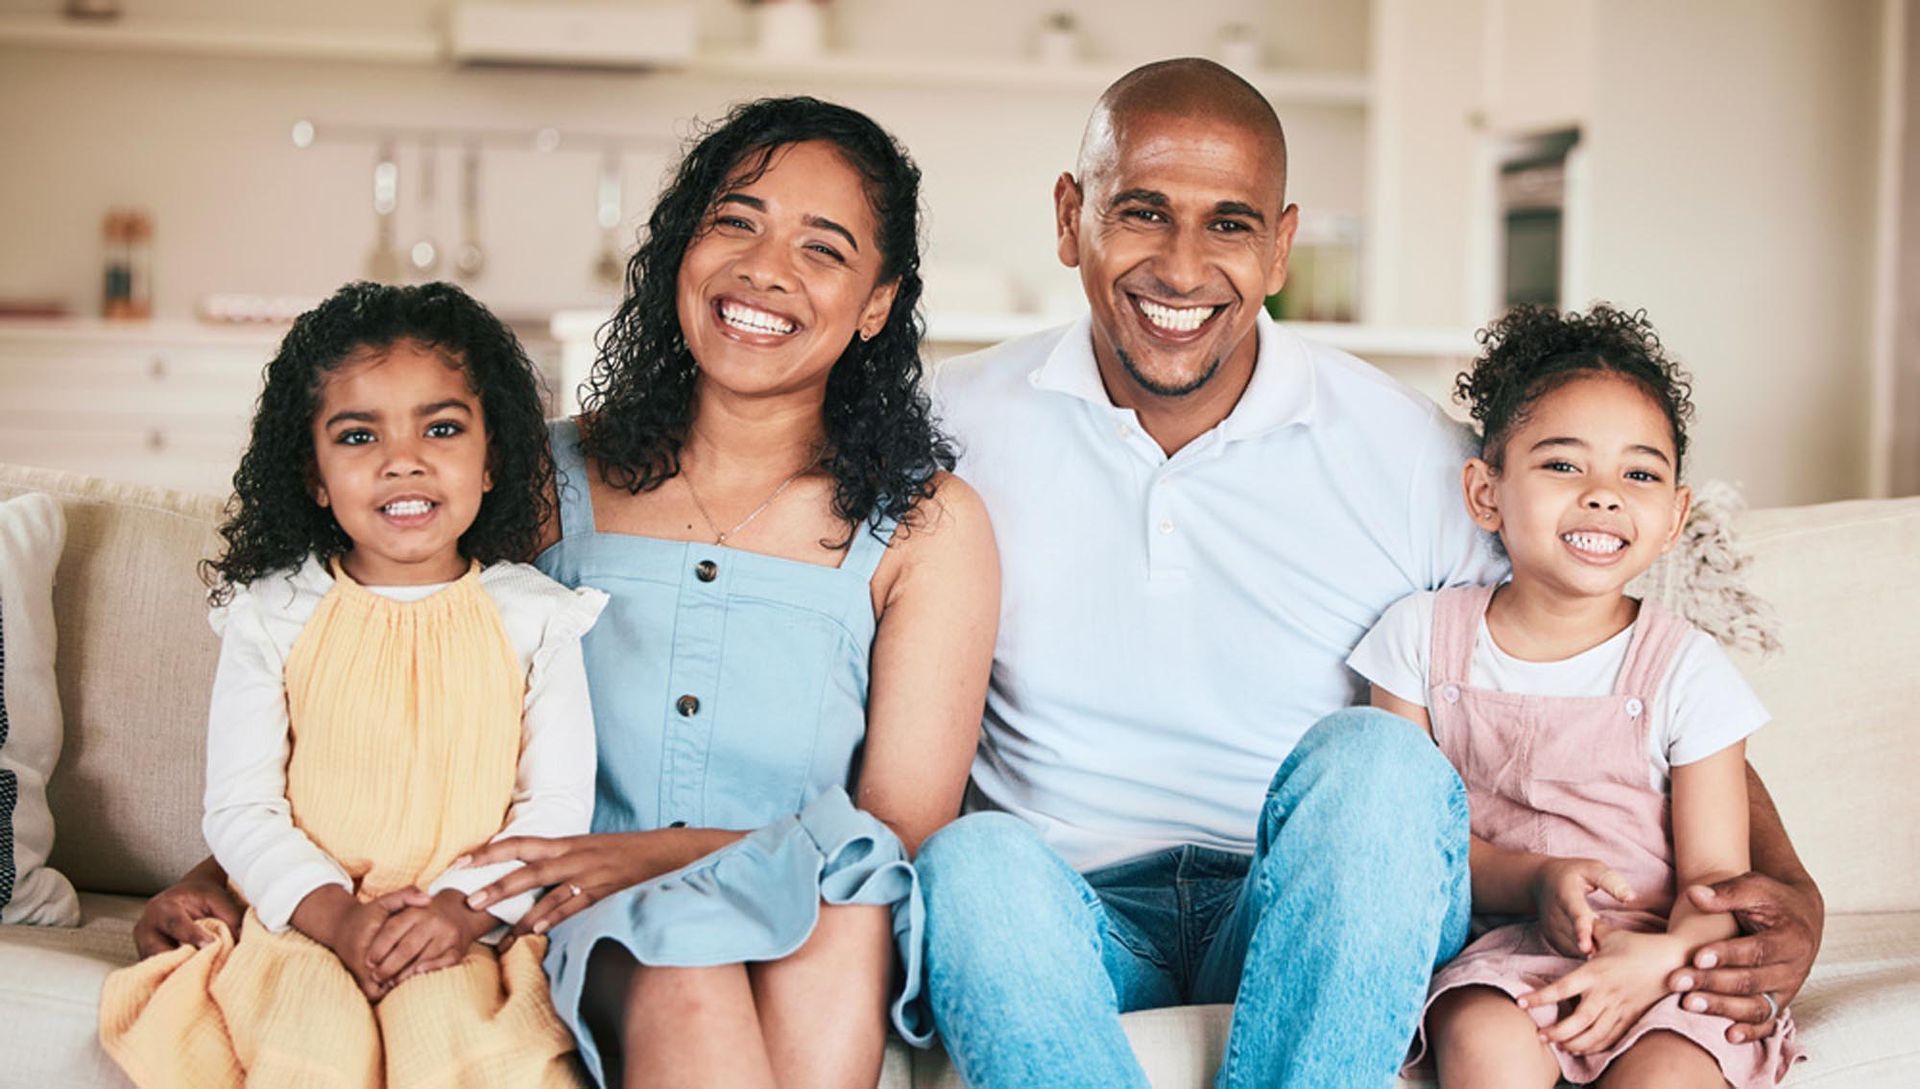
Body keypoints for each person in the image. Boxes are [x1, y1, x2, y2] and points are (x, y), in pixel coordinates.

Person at [919, 58, 1825, 1088]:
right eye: (1141, 212)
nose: (1180, 267)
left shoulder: (1404, 452)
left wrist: (1789, 884)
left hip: (1315, 896)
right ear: (1069, 214)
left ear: (1281, 245)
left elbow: (1598, 655)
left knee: (1380, 762)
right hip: (1064, 900)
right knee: (968, 864)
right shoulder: (951, 425)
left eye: (1228, 224)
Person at [133, 96, 997, 1089]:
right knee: (689, 973)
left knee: (839, 913)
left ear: (878, 301)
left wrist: (649, 854)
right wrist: (230, 876)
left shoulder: (928, 525)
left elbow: (896, 834)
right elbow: (386, 654)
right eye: (735, 221)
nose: (765, 268)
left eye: (823, 248)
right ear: (681, 245)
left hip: (811, 897)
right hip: (580, 914)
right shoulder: (538, 475)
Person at [98, 281, 605, 1087]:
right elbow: (241, 807)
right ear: (315, 473)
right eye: (359, 434)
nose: (403, 459)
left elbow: (554, 807)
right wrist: (336, 918)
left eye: (441, 427)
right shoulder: (271, 615)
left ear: (490, 459)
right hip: (300, 924)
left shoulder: (540, 618)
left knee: (461, 1052)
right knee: (310, 1051)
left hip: (467, 930)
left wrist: (458, 910)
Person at [1351, 305, 1805, 1087]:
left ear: (1674, 517)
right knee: (1481, 1037)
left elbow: (1717, 877)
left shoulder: (1687, 669)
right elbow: (1409, 845)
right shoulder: (1418, 639)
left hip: (1666, 958)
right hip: (1506, 954)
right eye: (1563, 465)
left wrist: (1661, 960)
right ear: (1485, 492)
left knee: (1672, 1069)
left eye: (1640, 474)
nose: (1602, 495)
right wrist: (1534, 878)